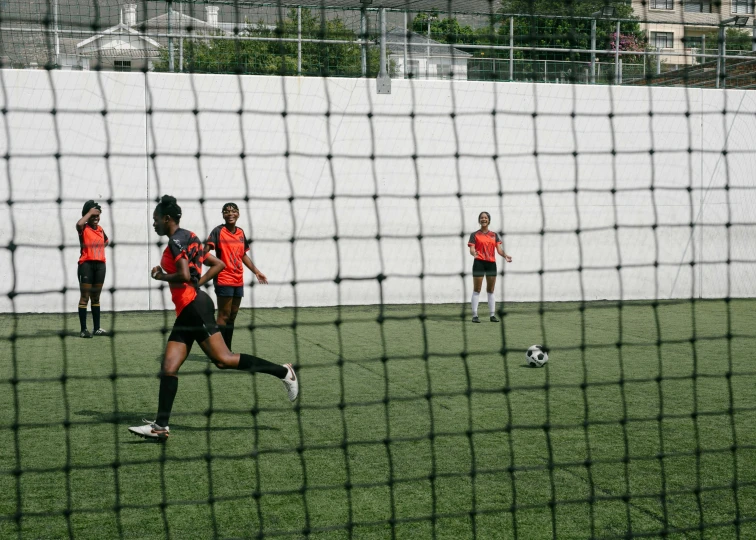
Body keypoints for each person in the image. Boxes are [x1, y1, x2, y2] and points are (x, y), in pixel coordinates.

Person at [128, 195, 298, 441]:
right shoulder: (190, 237)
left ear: (167, 219)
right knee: (169, 367)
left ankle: (283, 372)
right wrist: (198, 283)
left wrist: (161, 276)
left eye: (155, 220)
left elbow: (185, 275)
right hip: (190, 307)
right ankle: (160, 427)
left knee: (223, 359)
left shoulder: (176, 241)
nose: (154, 224)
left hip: (194, 308)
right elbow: (217, 264)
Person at [204, 202, 268, 351]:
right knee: (223, 317)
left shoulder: (240, 232)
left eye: (233, 211)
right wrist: (212, 264)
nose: (230, 213)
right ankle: (218, 351)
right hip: (223, 279)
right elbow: (204, 251)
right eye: (226, 211)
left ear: (238, 213)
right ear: (223, 215)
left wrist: (256, 271)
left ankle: (227, 350)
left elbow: (243, 254)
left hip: (238, 280)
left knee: (232, 317)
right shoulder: (218, 231)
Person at [468, 211, 512, 323]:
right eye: (482, 218)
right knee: (477, 289)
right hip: (479, 263)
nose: (483, 219)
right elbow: (472, 249)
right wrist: (474, 253)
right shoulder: (474, 235)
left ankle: (492, 315)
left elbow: (499, 249)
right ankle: (475, 316)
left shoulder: (494, 235)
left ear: (489, 220)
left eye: (485, 218)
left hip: (491, 264)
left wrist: (505, 255)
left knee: (491, 290)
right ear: (479, 220)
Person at [76, 200, 109, 338]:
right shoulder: (83, 228)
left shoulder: (101, 229)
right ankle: (84, 330)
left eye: (97, 215)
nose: (96, 218)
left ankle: (97, 328)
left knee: (96, 297)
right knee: (85, 298)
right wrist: (90, 212)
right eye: (93, 215)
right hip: (86, 266)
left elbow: (106, 241)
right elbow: (78, 224)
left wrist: (97, 251)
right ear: (87, 215)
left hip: (100, 266)